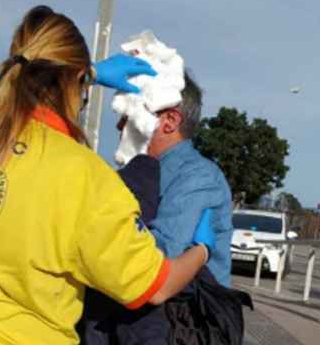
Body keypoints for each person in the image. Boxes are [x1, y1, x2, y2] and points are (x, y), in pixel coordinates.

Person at [0, 6, 217, 345]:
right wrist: (202, 248)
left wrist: (89, 73)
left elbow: (11, 78)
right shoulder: (84, 177)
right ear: (76, 84)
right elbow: (156, 286)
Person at [81, 72, 233, 344]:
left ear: (169, 121)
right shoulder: (140, 172)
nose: (118, 126)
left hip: (179, 328)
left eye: (128, 116)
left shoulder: (197, 177)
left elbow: (152, 264)